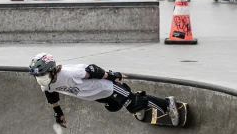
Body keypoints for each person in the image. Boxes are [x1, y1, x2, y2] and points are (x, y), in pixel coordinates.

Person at [29, 52, 180, 127]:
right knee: (113, 107)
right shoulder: (46, 83)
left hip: (108, 87)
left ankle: (167, 103)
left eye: (42, 74)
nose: (40, 78)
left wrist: (113, 76)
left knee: (133, 104)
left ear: (52, 70)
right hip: (98, 96)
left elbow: (93, 69)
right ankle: (135, 99)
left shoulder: (70, 73)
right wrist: (58, 112)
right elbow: (51, 95)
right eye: (37, 75)